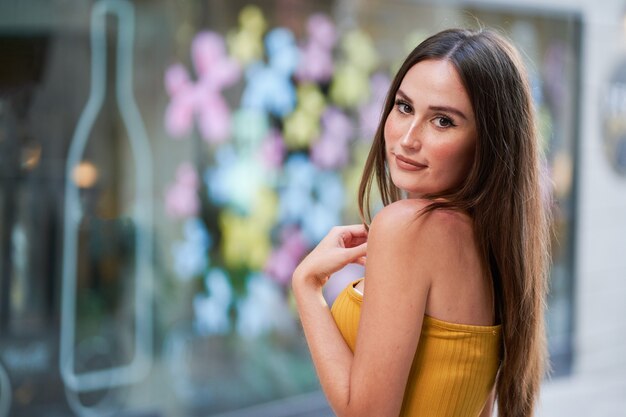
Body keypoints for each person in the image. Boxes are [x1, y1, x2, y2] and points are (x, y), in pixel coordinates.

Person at [292, 28, 551, 417]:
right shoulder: (495, 242)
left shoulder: (408, 227)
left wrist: (306, 287)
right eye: (404, 107)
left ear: (488, 141)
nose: (408, 138)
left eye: (443, 121)